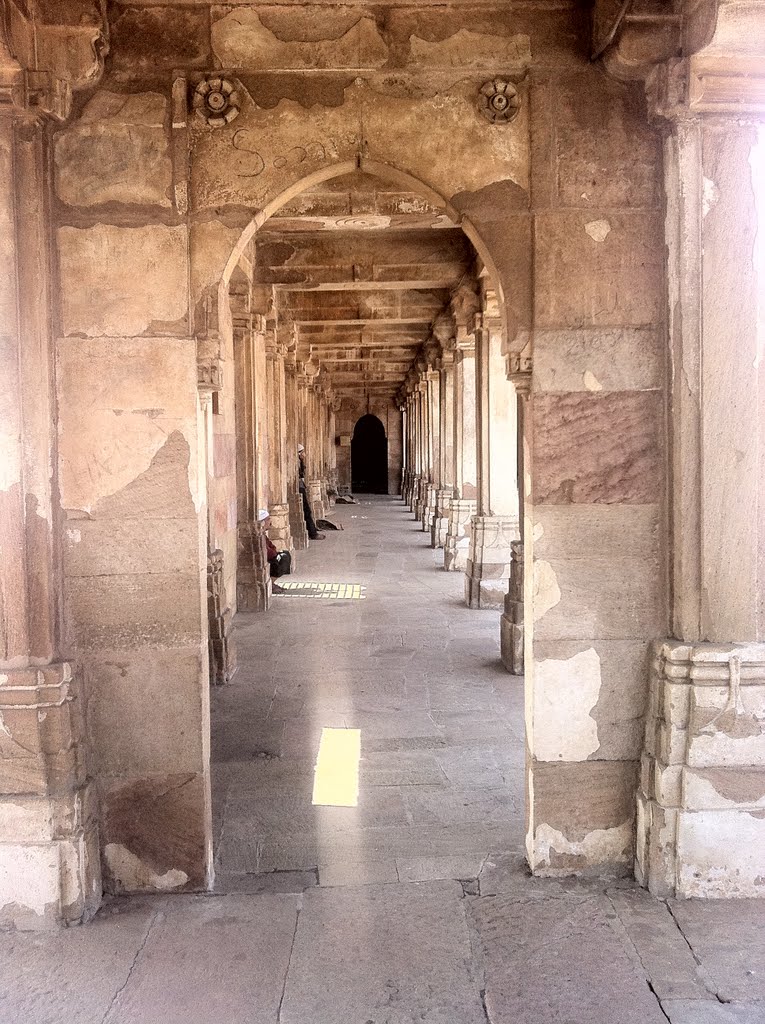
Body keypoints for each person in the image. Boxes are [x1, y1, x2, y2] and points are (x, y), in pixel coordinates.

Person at [297, 444, 325, 540]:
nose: (304, 454)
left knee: (307, 510)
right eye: (303, 452)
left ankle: (312, 530)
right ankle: (313, 533)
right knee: (307, 510)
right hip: (299, 488)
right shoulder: (297, 464)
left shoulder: (300, 463)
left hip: (301, 487)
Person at [258, 509, 291, 578]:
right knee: (282, 558)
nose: (270, 522)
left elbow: (272, 546)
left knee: (285, 553)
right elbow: (268, 552)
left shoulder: (263, 534)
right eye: (268, 519)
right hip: (265, 560)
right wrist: (275, 554)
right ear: (263, 522)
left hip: (270, 557)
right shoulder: (259, 535)